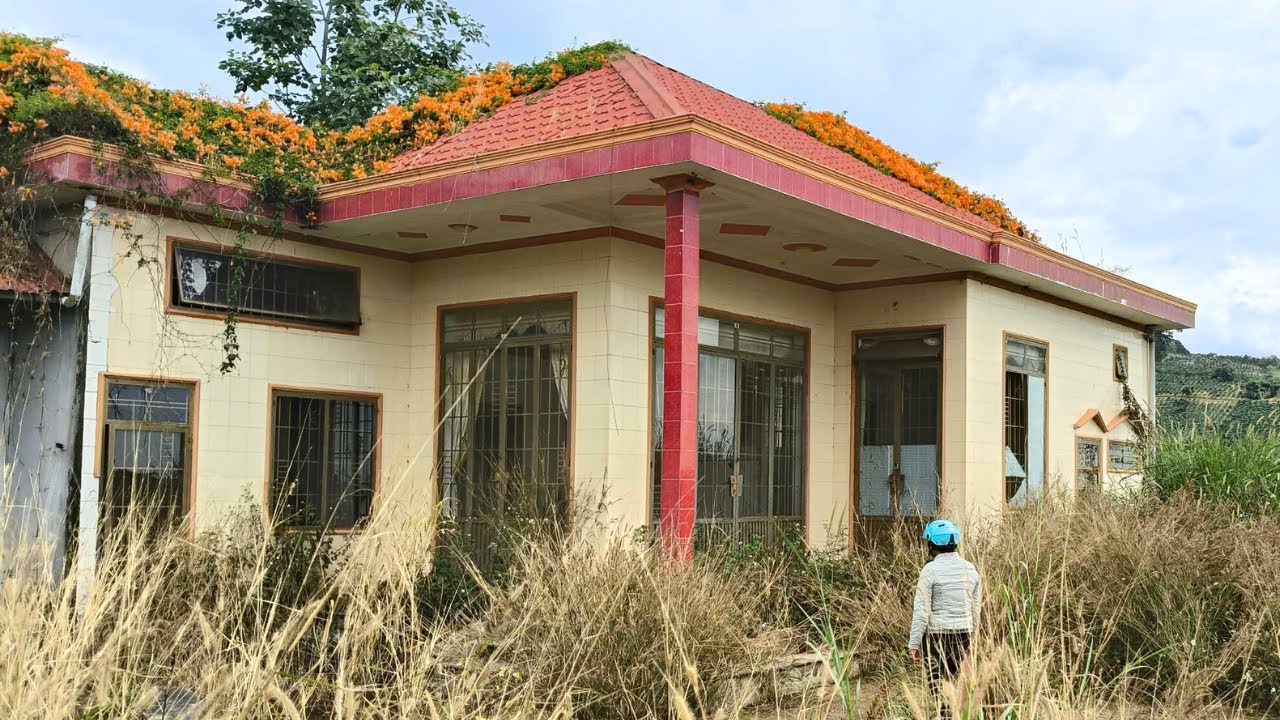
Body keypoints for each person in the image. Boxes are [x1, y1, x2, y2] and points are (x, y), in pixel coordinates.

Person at [907, 519, 981, 714]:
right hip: (964, 634)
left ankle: (944, 715)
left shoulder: (930, 570)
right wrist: (973, 640)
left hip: (937, 636)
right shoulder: (971, 569)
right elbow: (976, 610)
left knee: (937, 686)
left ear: (932, 545)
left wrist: (914, 644)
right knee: (957, 685)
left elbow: (921, 612)